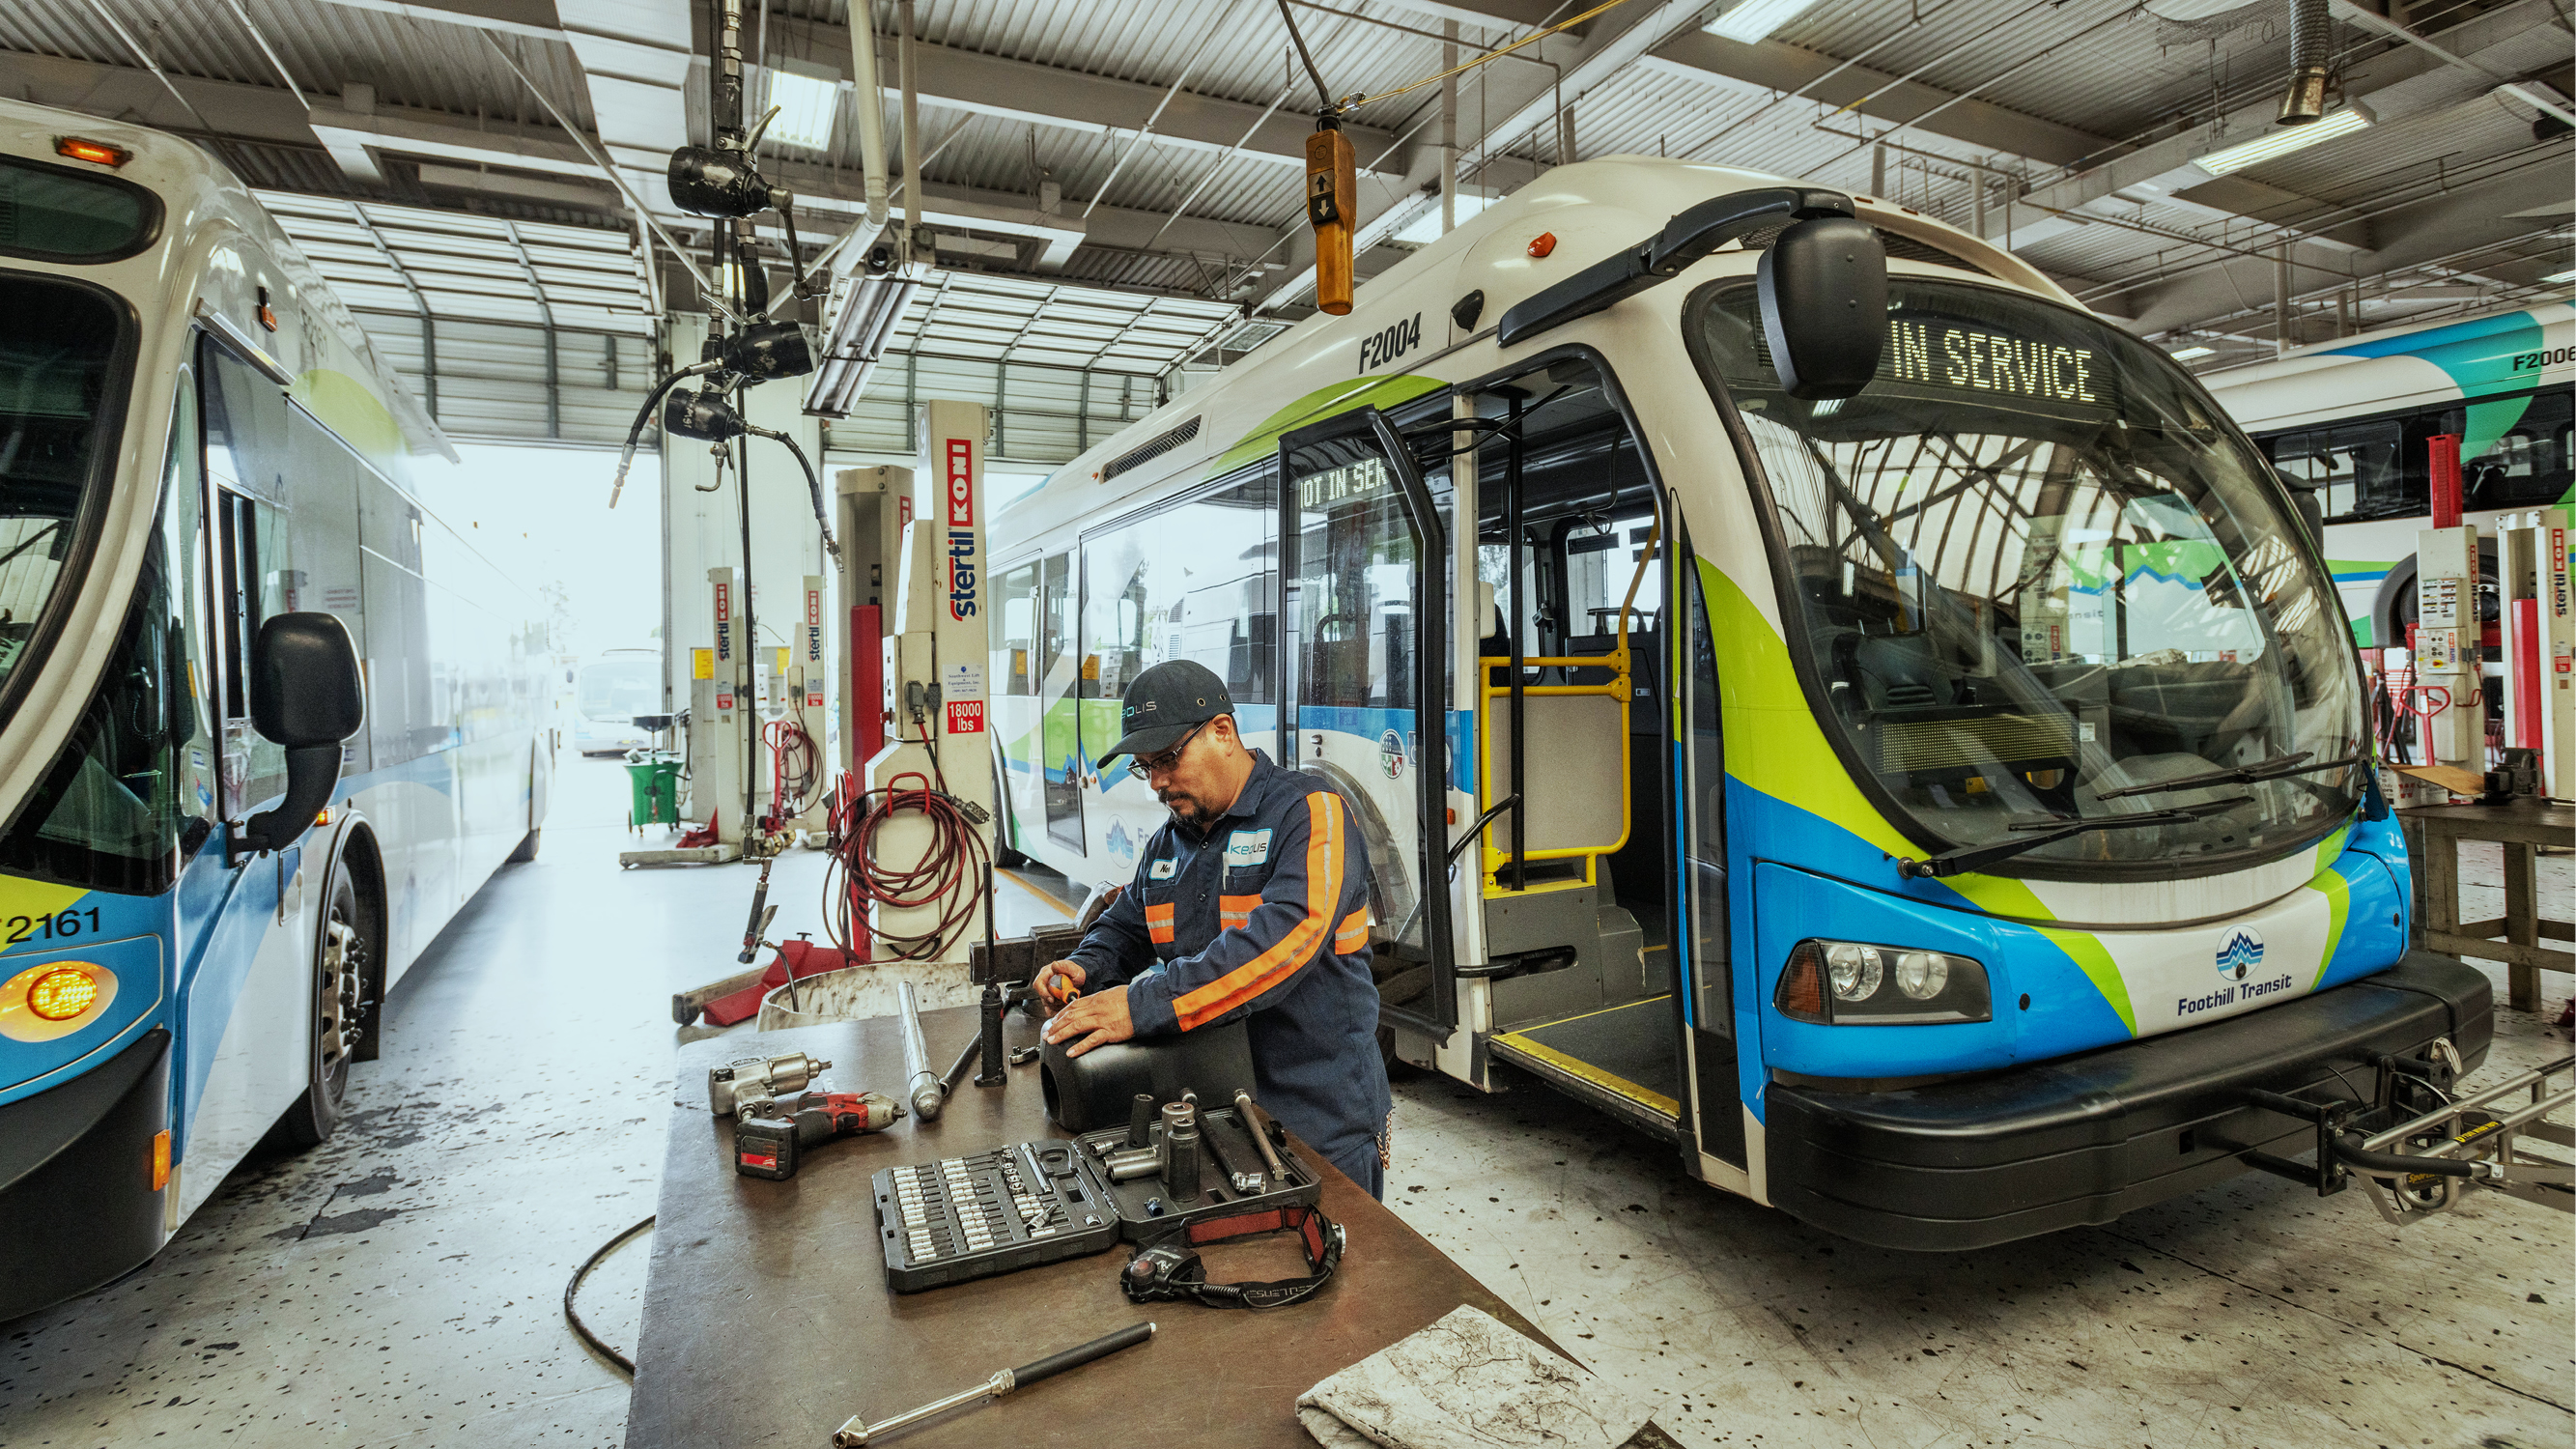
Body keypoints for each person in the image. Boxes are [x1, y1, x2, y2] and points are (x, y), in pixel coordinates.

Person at [1035, 660, 1392, 1197]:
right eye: (1144, 767)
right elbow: (1128, 925)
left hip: (1320, 1122)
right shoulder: (1167, 843)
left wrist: (1139, 1005)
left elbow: (1281, 943)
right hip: (1214, 1114)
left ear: (1223, 733)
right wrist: (1084, 969)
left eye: (1167, 760)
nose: (1156, 781)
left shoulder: (1312, 812)